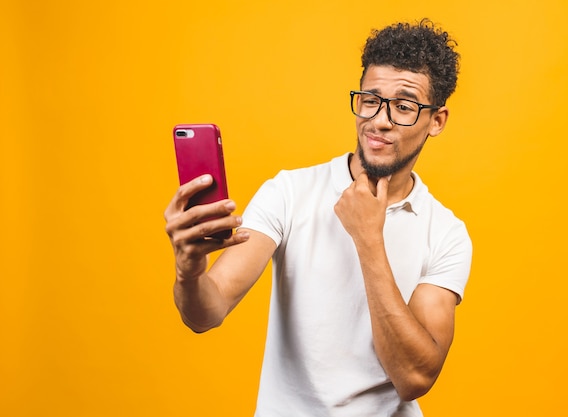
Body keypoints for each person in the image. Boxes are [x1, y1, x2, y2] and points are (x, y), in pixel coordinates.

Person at [164, 18, 472, 417]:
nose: (379, 120)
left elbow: (414, 377)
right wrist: (189, 272)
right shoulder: (289, 193)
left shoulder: (446, 233)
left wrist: (369, 238)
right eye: (370, 99)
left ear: (436, 121)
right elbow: (206, 312)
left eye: (404, 106)